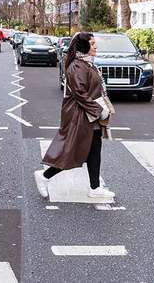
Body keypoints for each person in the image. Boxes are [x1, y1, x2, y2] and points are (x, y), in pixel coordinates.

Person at [34, 32, 115, 199]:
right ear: (84, 47)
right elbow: (80, 93)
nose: (96, 46)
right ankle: (43, 176)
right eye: (92, 44)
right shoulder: (78, 66)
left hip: (89, 115)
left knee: (94, 150)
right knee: (71, 152)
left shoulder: (87, 64)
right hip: (80, 115)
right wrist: (99, 110)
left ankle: (95, 188)